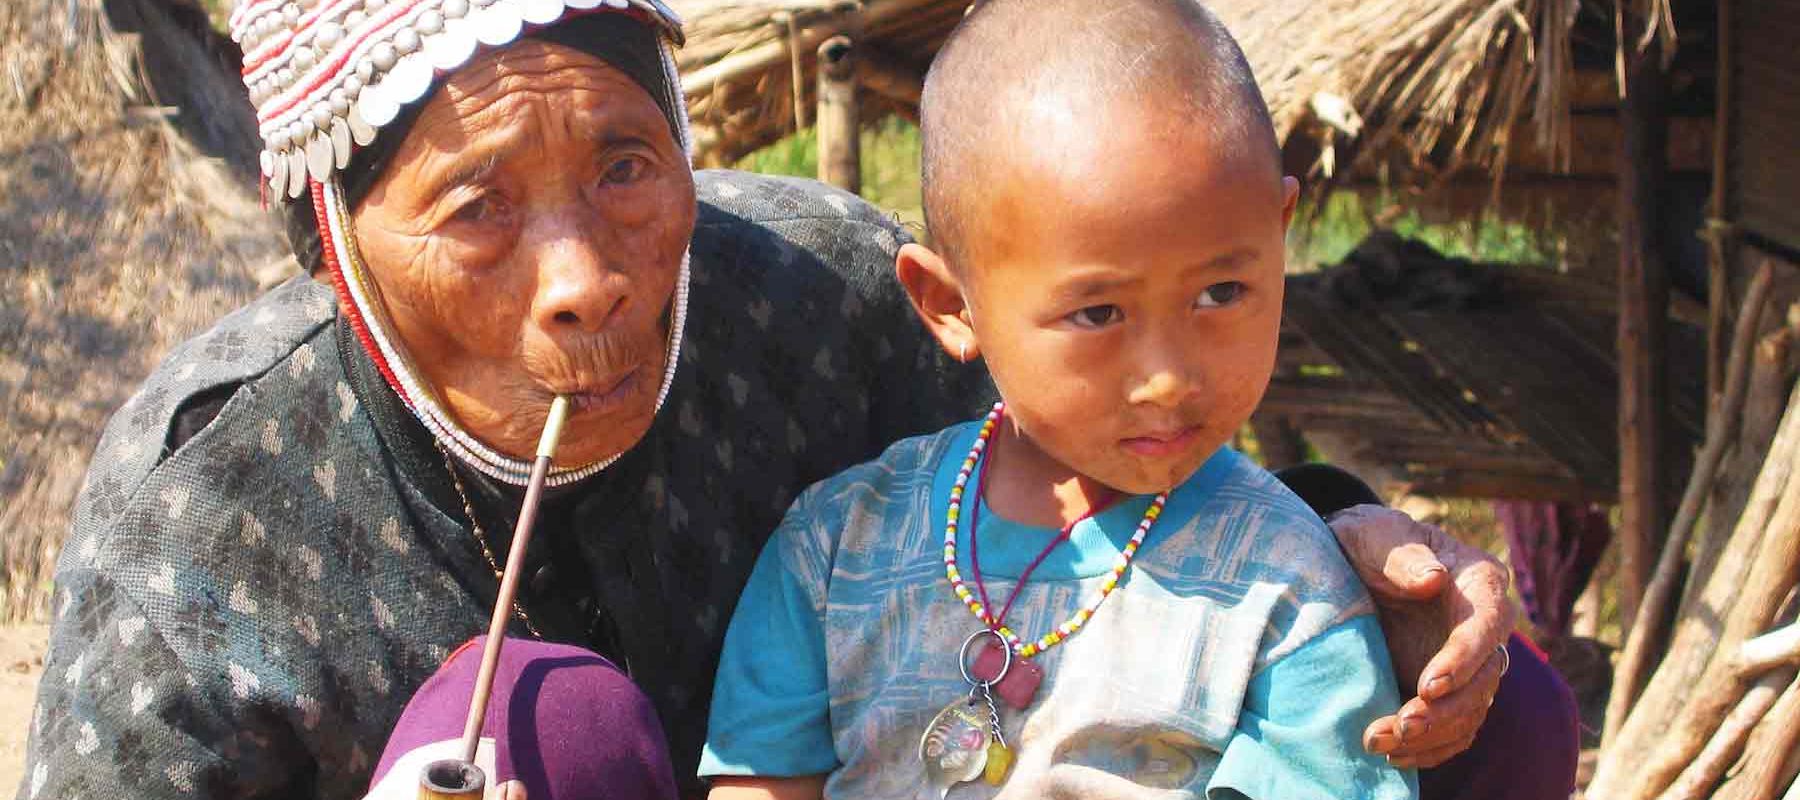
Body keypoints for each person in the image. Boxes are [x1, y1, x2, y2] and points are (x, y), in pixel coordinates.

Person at [17, 0, 1536, 798]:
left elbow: (1109, 440)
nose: (584, 281)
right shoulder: (206, 508)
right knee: (550, 726)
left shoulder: (824, 297)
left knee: (1508, 713)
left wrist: (1350, 531)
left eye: (624, 166)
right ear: (335, 248)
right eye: (477, 206)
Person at [699, 2, 1414, 797]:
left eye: (1221, 291)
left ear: (1279, 236)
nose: (1170, 376)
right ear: (949, 306)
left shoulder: (1289, 593)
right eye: (1099, 313)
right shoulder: (833, 551)